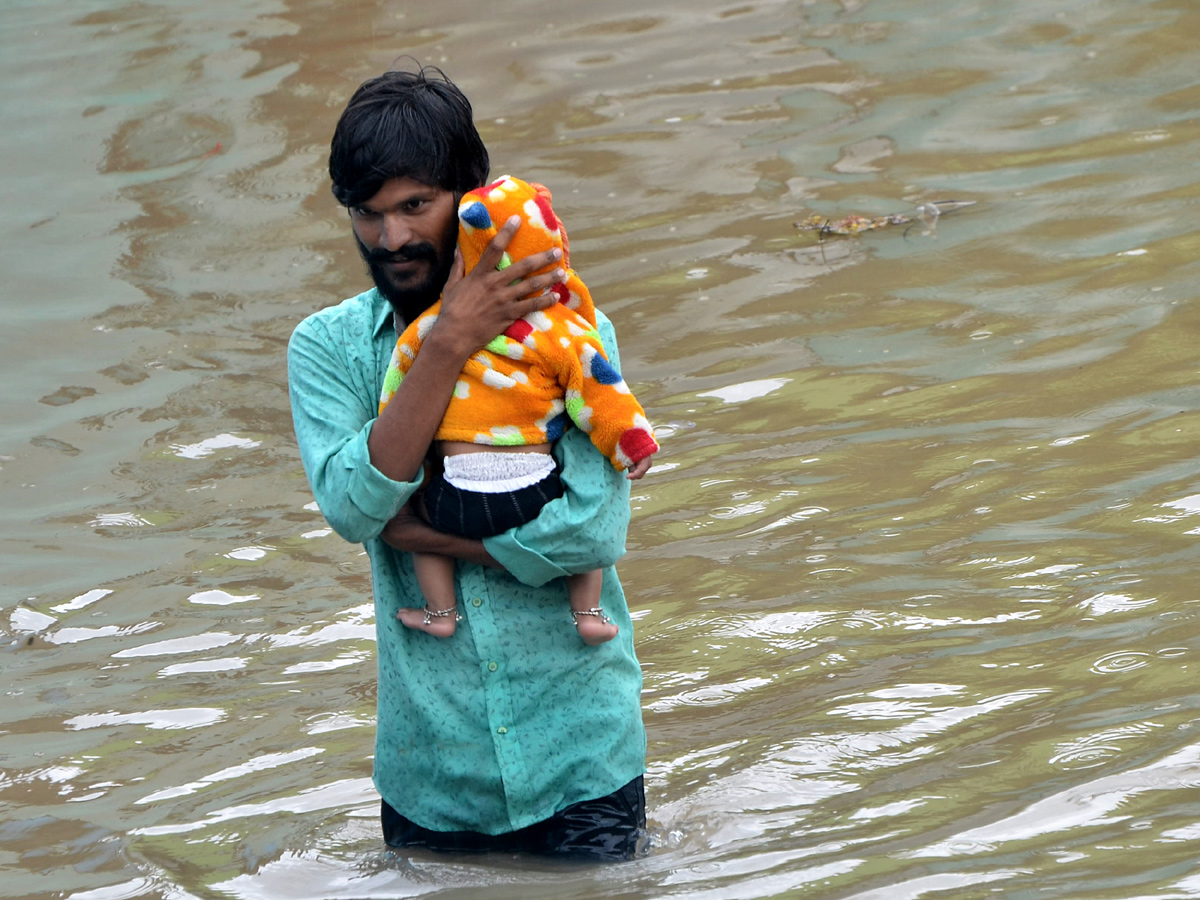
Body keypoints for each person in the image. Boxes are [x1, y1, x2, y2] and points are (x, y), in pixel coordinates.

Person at [287, 65, 649, 859]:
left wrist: (435, 538)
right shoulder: (330, 348)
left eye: (415, 206)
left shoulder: (568, 328)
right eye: (368, 214)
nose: (391, 239)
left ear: (472, 194)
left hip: (581, 754)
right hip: (432, 774)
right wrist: (447, 343)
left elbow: (592, 531)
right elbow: (353, 509)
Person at [382, 175, 659, 645]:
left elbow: (400, 376)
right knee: (588, 535)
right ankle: (587, 612)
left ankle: (440, 611)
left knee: (421, 514)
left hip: (456, 499)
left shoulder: (437, 322)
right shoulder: (564, 329)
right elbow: (601, 393)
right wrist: (632, 441)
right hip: (536, 493)